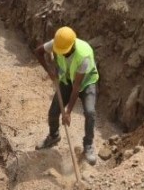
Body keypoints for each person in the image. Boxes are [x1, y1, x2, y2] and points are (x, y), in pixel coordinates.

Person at [34, 26, 99, 166]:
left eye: (64, 51)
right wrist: (50, 71)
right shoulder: (57, 43)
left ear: (72, 45)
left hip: (86, 82)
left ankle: (88, 146)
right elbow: (38, 52)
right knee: (53, 112)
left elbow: (77, 87)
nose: (61, 53)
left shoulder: (84, 55)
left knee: (90, 112)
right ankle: (54, 136)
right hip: (66, 79)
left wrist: (68, 112)